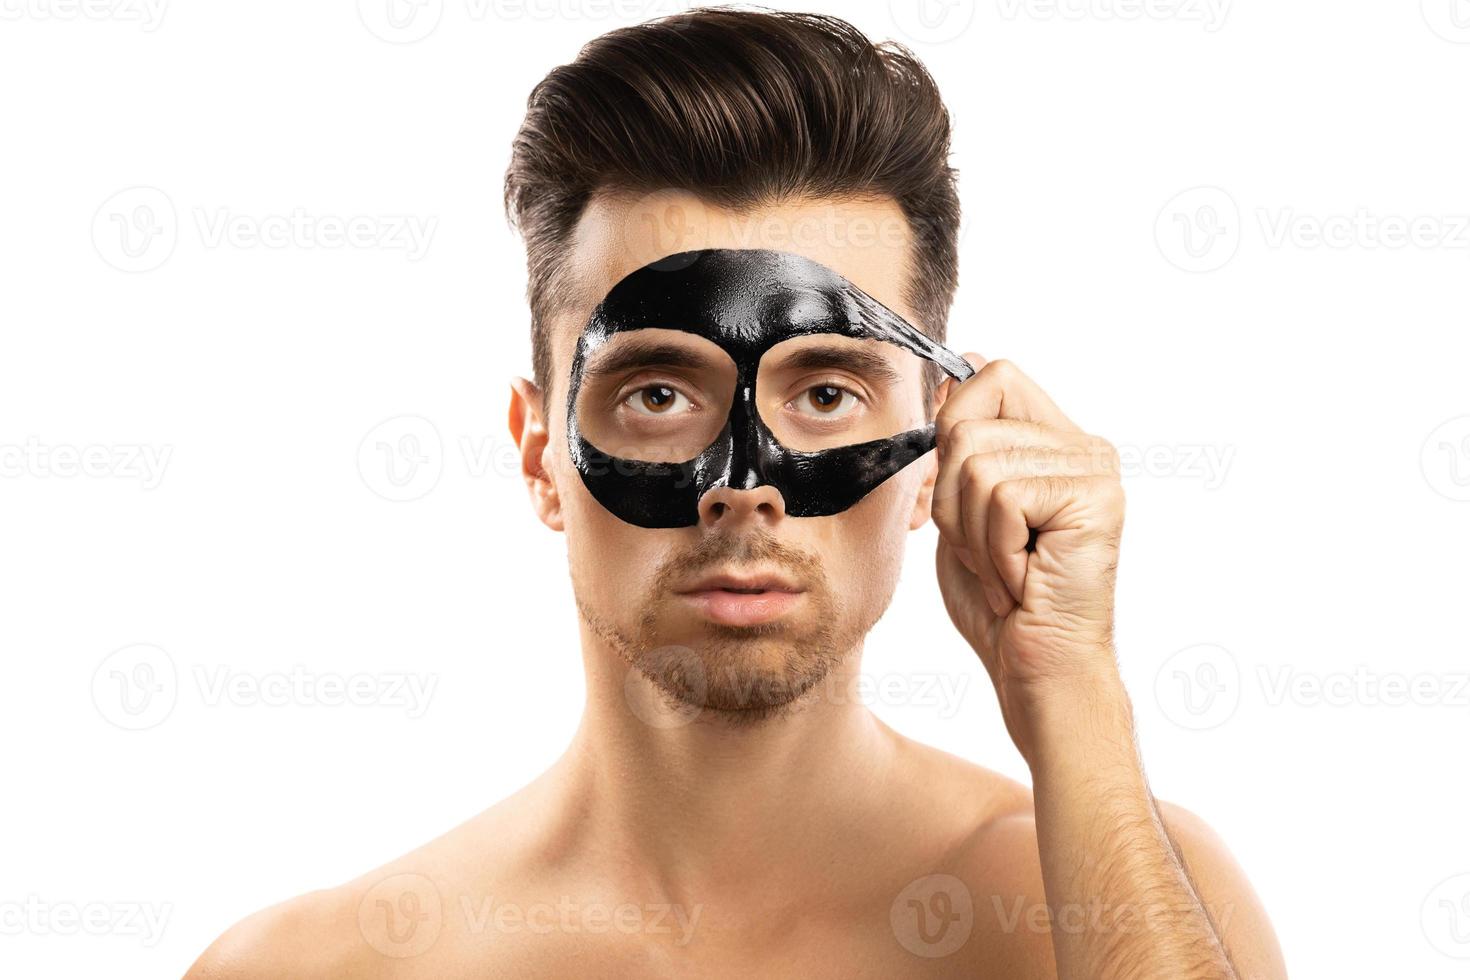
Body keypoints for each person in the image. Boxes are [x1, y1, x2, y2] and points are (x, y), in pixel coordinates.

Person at [187, 10, 1285, 977]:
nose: (743, 488)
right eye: (658, 391)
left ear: (935, 450)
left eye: (826, 390)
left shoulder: (1113, 906)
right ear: (540, 453)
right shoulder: (317, 966)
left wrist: (1075, 696)